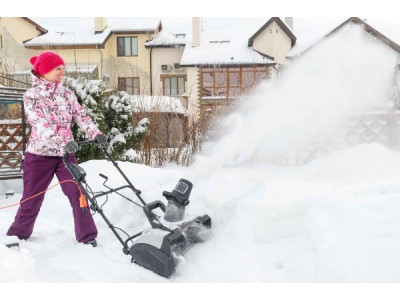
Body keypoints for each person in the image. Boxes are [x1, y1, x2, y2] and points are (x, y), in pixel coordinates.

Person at [7, 51, 106, 247]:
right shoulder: (32, 95)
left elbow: (81, 116)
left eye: (63, 68)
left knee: (78, 193)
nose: (62, 72)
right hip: (39, 156)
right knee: (32, 198)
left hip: (65, 155)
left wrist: (95, 133)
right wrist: (61, 141)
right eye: (57, 68)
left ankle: (87, 236)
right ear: (44, 71)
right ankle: (18, 235)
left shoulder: (67, 94)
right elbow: (39, 124)